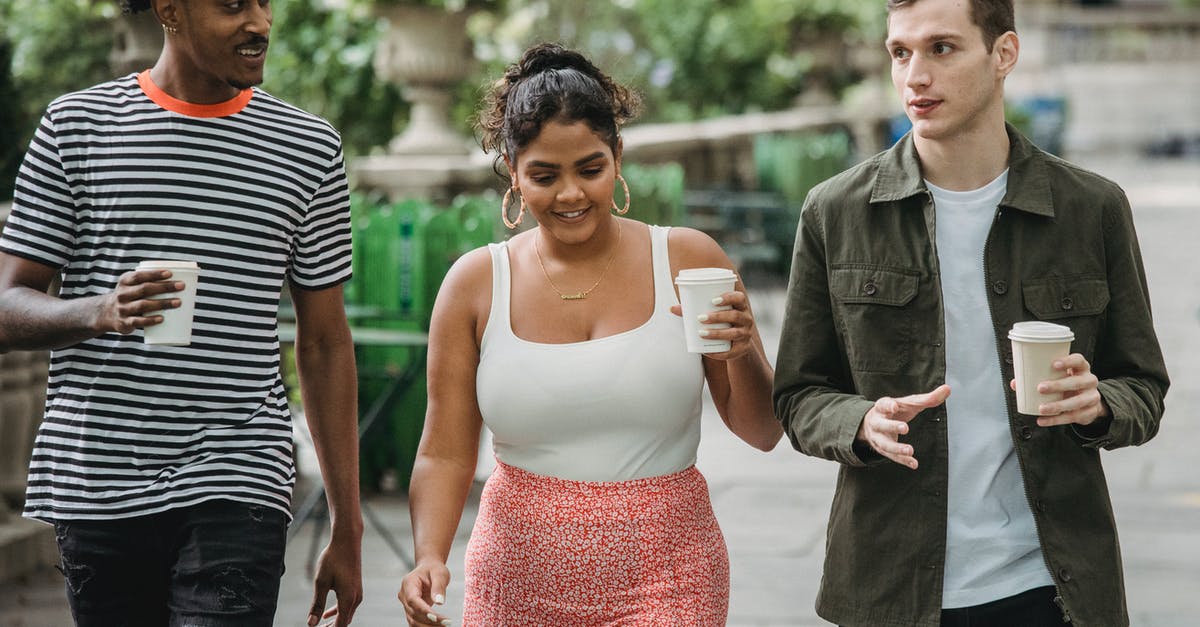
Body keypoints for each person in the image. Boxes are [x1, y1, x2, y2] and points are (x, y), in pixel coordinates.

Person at [773, 0, 1170, 625]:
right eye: (900, 53)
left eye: (942, 48)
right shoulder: (835, 212)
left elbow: (1143, 387)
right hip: (890, 588)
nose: (915, 76)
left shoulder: (1092, 209)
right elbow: (799, 395)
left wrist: (1098, 404)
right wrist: (860, 421)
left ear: (1003, 54)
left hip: (1052, 584)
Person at [0, 1, 364, 626]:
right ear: (169, 8)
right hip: (99, 481)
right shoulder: (76, 126)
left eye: (263, 2)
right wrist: (98, 311)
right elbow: (7, 307)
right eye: (231, 5)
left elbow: (326, 343)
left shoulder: (309, 148)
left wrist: (347, 526)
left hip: (239, 474)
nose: (259, 22)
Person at [396, 42, 782, 626]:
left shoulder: (687, 260)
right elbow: (445, 450)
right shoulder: (476, 284)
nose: (571, 194)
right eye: (544, 176)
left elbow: (761, 431)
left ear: (618, 156)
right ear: (513, 174)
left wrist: (744, 349)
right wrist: (429, 556)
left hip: (670, 576)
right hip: (514, 580)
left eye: (590, 169)